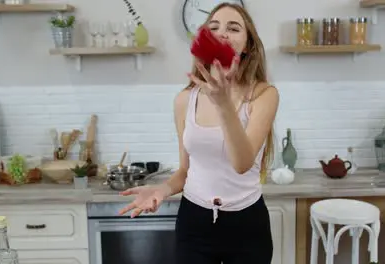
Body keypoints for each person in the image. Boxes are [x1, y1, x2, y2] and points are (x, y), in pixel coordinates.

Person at [118, 3, 279, 264]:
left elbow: (242, 163)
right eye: (213, 28)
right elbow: (184, 171)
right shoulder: (184, 100)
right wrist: (162, 189)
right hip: (195, 223)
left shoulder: (263, 95)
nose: (222, 33)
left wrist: (224, 103)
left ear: (248, 45)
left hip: (247, 224)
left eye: (234, 27)